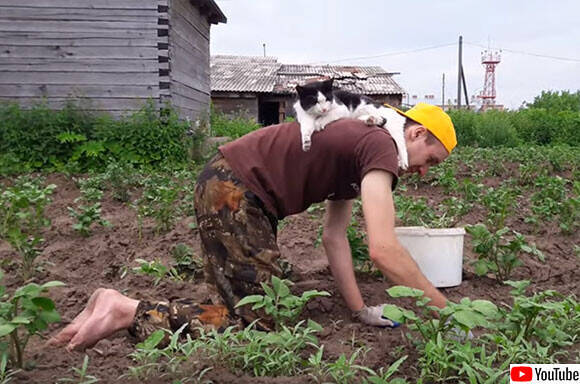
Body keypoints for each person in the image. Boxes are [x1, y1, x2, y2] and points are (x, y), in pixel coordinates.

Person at [48, 103, 456, 351]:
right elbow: (383, 248)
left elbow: (335, 238)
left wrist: (360, 310)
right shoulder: (382, 144)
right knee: (260, 322)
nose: (422, 172)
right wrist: (449, 313)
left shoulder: (363, 146)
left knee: (248, 308)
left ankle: (129, 309)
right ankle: (125, 310)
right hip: (236, 192)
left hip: (234, 189)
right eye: (430, 160)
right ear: (417, 133)